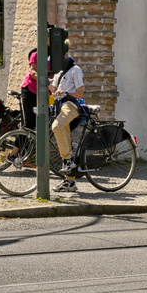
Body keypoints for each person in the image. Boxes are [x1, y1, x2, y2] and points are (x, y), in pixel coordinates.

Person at [49, 51, 87, 191]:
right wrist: (45, 81)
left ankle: (68, 161)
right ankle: (70, 183)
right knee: (65, 137)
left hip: (71, 105)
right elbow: (54, 89)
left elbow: (80, 92)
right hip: (60, 107)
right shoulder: (59, 72)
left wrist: (66, 93)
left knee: (57, 126)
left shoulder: (75, 70)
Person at [19, 50, 38, 130]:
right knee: (30, 123)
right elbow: (33, 72)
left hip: (44, 91)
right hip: (30, 90)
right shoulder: (36, 54)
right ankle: (20, 142)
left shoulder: (54, 57)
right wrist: (46, 81)